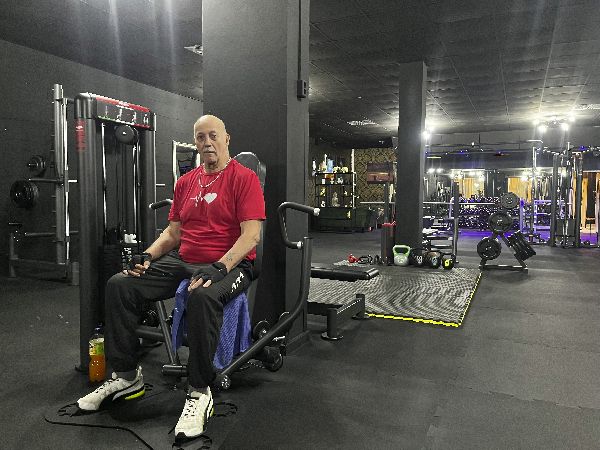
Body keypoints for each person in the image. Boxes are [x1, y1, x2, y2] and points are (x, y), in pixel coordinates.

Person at [77, 115, 266, 439]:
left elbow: (252, 235)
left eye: (213, 136)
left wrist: (221, 267)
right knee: (120, 285)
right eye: (200, 137)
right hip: (184, 259)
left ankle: (200, 390)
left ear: (226, 139)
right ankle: (126, 376)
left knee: (202, 296)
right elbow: (174, 233)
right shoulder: (186, 182)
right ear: (195, 143)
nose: (207, 142)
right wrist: (148, 255)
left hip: (232, 264)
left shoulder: (244, 178)